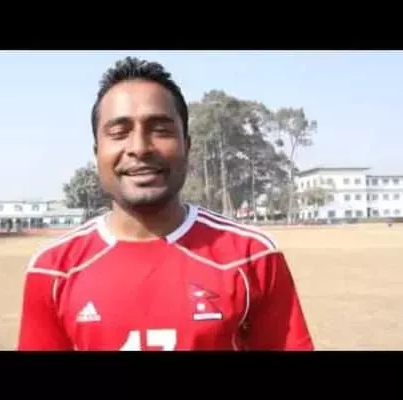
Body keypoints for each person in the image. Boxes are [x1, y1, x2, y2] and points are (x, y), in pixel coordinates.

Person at [17, 56, 314, 351]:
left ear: (187, 145)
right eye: (119, 133)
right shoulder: (53, 269)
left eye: (160, 130)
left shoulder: (252, 256)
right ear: (97, 152)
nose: (139, 148)